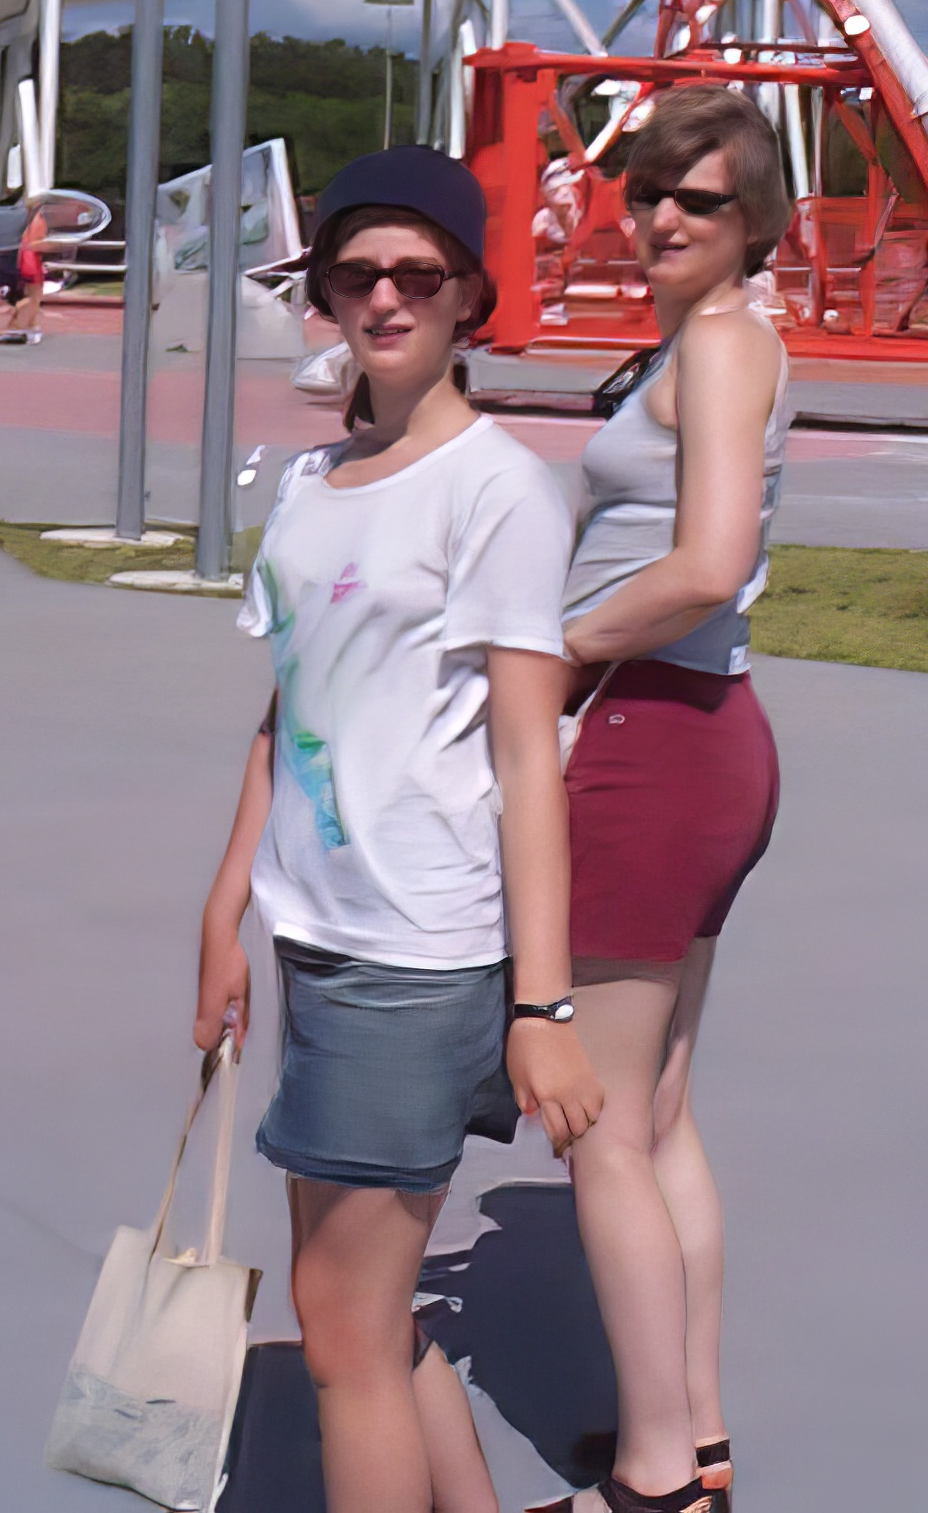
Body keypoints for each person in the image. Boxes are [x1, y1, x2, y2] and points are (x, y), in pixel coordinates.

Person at [194, 146, 603, 1513]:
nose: (384, 297)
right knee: (362, 1307)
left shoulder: (499, 490)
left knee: (340, 1328)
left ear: (468, 295)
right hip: (315, 932)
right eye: (356, 272)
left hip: (418, 950)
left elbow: (528, 760)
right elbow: (288, 702)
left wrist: (541, 1002)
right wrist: (224, 906)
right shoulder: (318, 482)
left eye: (416, 273)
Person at [542, 88, 795, 1510]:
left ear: (752, 217)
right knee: (660, 1113)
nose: (659, 220)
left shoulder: (717, 341)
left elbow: (704, 562)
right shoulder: (718, 339)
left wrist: (556, 656)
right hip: (706, 730)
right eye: (646, 192)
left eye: (695, 200)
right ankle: (690, 1433)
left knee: (598, 1120)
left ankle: (655, 1473)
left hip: (658, 733)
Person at [0, 185, 45, 345]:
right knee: (22, 297)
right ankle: (10, 329)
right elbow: (35, 235)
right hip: (12, 258)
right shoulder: (23, 215)